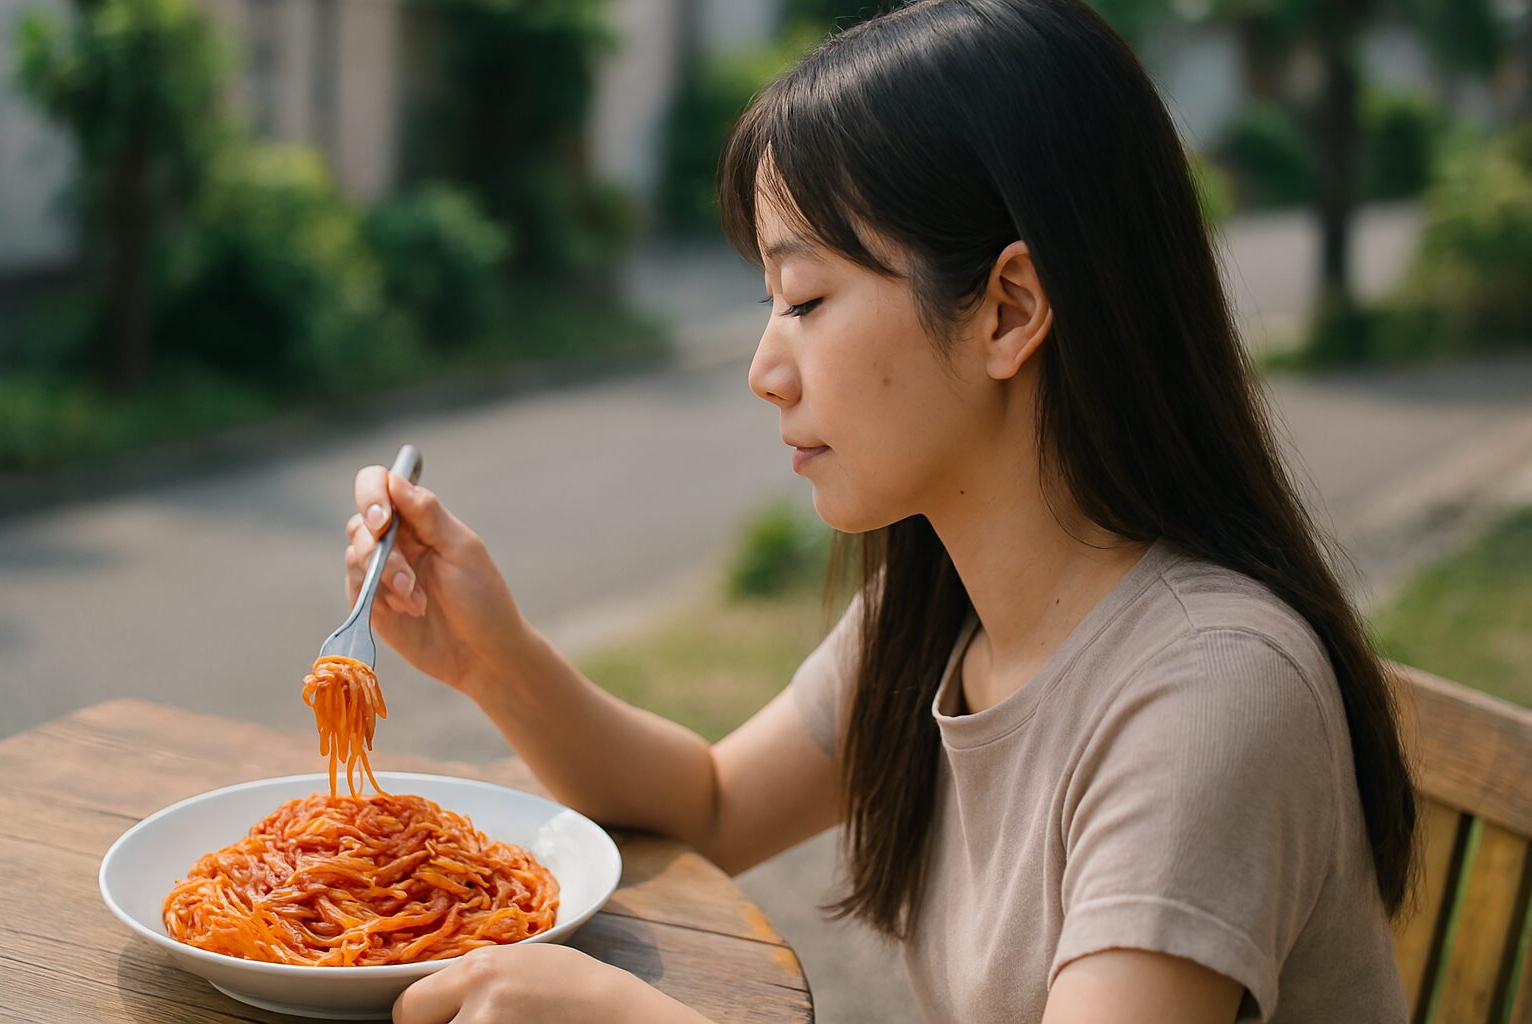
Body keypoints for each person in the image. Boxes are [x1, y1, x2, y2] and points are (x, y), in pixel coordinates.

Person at [347, 1, 1418, 1020]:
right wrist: (489, 653)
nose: (767, 368)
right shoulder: (949, 605)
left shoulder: (1209, 693)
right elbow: (712, 804)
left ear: (1009, 310)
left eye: (805, 300)